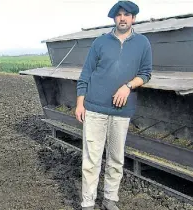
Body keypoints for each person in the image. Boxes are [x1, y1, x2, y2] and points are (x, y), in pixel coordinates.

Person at [75, 1, 152, 210]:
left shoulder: (143, 43)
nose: (123, 18)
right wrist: (80, 104)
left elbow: (146, 74)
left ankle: (110, 200)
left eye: (127, 15)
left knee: (116, 159)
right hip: (94, 108)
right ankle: (88, 203)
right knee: (91, 160)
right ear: (114, 19)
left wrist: (128, 86)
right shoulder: (100, 43)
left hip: (121, 112)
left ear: (133, 18)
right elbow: (85, 75)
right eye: (119, 15)